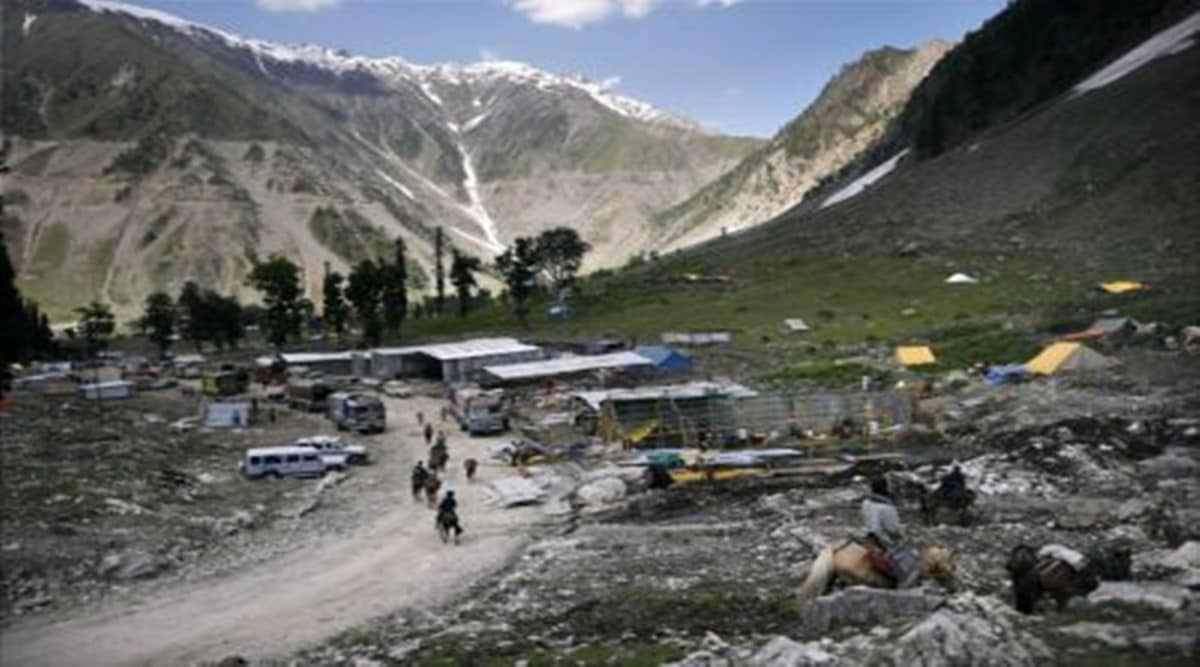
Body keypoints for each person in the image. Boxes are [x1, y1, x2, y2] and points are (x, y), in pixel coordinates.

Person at [862, 476, 918, 588]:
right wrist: (902, 531)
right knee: (909, 559)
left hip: (869, 536)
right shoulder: (887, 508)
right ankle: (905, 585)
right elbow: (893, 529)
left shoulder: (866, 502)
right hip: (883, 539)